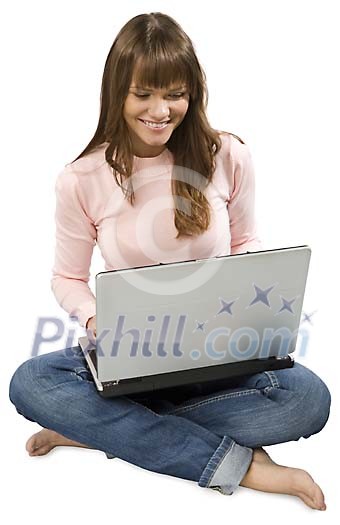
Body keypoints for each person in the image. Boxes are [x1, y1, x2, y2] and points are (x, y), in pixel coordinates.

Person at [9, 12, 331, 510]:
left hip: (221, 345)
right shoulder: (82, 177)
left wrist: (247, 302)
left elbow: (245, 243)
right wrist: (98, 319)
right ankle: (239, 466)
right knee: (31, 383)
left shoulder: (227, 155)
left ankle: (103, 432)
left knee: (307, 399)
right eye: (144, 94)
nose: (160, 110)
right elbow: (67, 276)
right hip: (133, 350)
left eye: (174, 94)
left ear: (192, 94)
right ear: (118, 92)